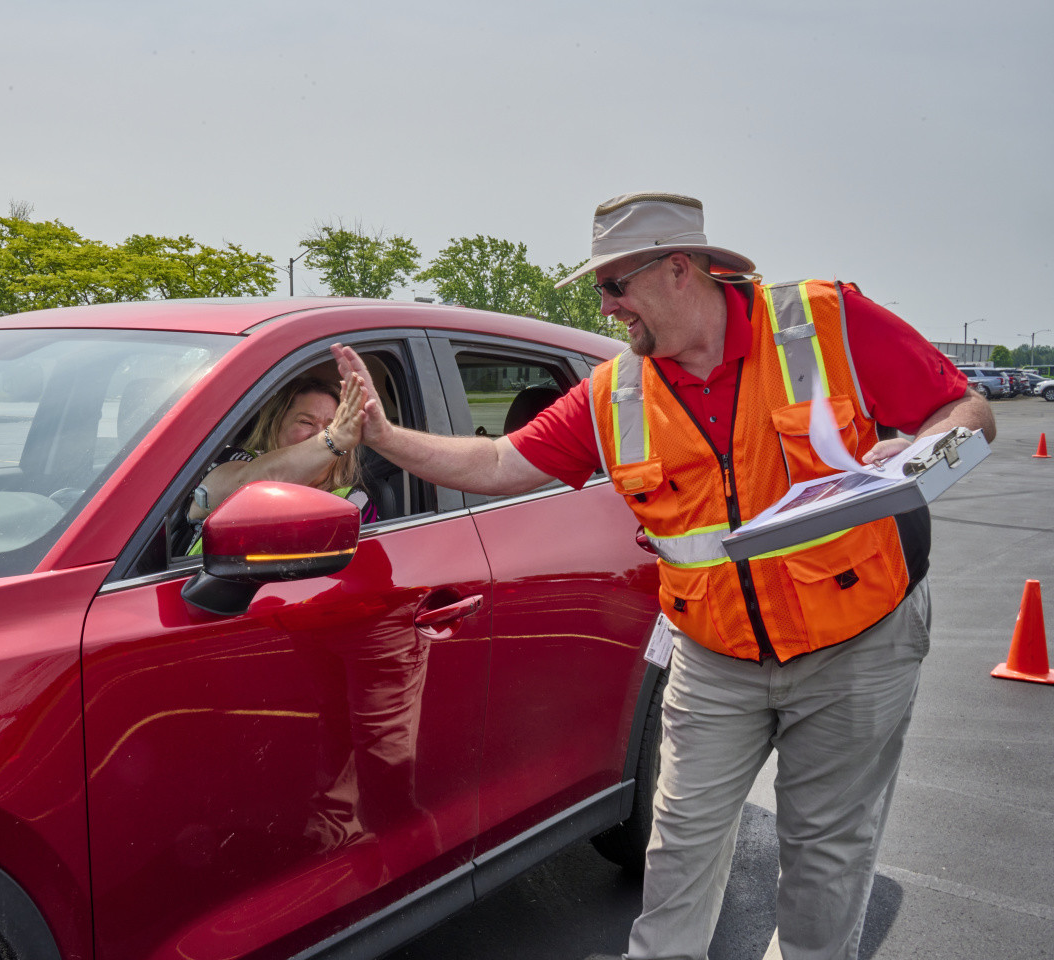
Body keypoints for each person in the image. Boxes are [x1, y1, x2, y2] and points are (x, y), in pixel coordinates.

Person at [333, 191, 995, 960]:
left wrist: (920, 455)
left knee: (824, 866)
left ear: (680, 269)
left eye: (616, 286)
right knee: (677, 858)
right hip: (714, 661)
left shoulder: (821, 321)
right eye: (600, 292)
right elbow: (497, 461)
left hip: (858, 646)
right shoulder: (617, 393)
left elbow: (964, 410)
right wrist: (383, 434)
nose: (608, 308)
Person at [187, 374, 376, 553]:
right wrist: (333, 440)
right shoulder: (233, 460)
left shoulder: (353, 502)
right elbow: (243, 487)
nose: (319, 435)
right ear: (274, 426)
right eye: (306, 422)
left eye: (331, 426)